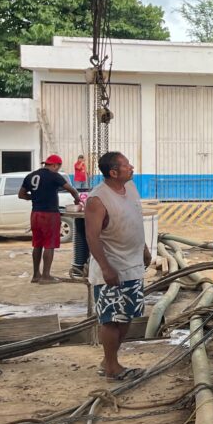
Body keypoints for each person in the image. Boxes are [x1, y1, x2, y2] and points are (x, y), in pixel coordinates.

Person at [85, 152, 151, 381]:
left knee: (127, 316)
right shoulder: (98, 199)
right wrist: (106, 268)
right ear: (113, 172)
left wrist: (144, 249)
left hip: (132, 265)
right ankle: (112, 367)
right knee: (111, 319)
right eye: (126, 165)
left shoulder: (130, 188)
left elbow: (135, 220)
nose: (131, 167)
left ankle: (109, 360)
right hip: (111, 269)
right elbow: (92, 237)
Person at [18, 154, 81, 284]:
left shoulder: (30, 176)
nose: (58, 169)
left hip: (35, 214)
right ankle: (46, 276)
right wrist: (77, 200)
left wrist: (35, 197)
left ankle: (36, 275)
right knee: (49, 244)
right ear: (55, 165)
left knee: (37, 244)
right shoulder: (54, 176)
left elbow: (21, 195)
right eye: (58, 167)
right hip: (49, 215)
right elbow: (72, 190)